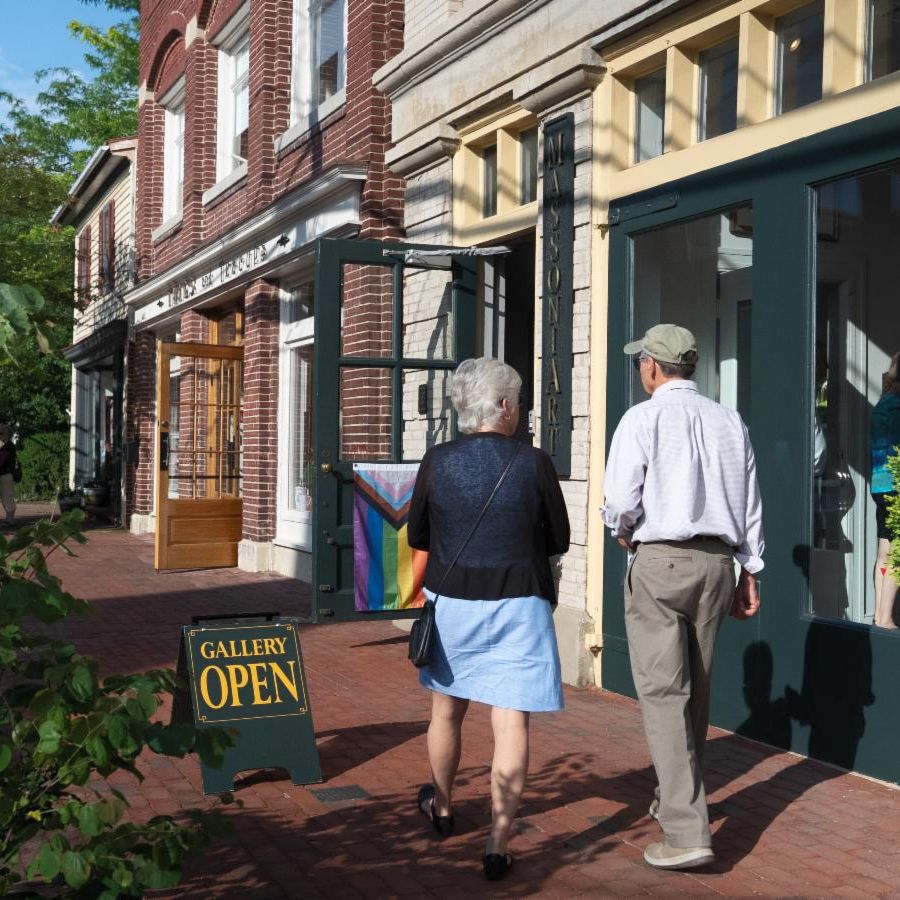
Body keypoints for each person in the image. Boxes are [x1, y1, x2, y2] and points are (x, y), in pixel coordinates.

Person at [602, 324, 764, 871]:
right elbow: (749, 502)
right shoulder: (728, 420)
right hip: (718, 561)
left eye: (639, 363)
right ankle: (674, 796)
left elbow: (621, 500)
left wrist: (620, 529)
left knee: (666, 695)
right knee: (695, 690)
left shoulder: (641, 419)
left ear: (651, 365)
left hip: (661, 558)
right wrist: (749, 569)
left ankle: (687, 830)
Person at [407, 357, 570, 882]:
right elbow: (560, 539)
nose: (519, 410)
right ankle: (498, 842)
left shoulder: (437, 460)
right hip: (520, 601)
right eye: (517, 400)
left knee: (446, 710)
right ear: (503, 406)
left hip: (453, 601)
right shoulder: (533, 462)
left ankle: (445, 805)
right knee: (511, 719)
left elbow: (417, 536)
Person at [870, 351, 900, 629]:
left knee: (885, 550)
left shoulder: (882, 405)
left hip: (880, 485)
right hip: (897, 484)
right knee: (897, 552)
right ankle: (886, 616)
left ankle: (880, 613)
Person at [0, 424, 18, 528]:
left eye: (1, 433)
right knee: (6, 497)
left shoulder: (8, 446)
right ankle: (9, 520)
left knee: (7, 497)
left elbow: (2, 461)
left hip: (5, 474)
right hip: (3, 474)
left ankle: (10, 520)